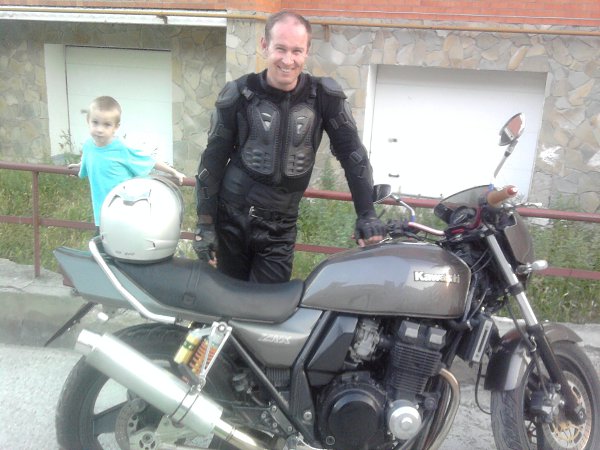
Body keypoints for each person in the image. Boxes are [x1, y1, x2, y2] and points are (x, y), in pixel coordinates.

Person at [193, 11, 384, 283]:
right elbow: (212, 160)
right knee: (228, 300)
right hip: (232, 217)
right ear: (264, 45)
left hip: (280, 227)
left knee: (269, 304)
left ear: (307, 51)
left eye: (296, 51)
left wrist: (367, 214)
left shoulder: (324, 97)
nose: (287, 60)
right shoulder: (239, 92)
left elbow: (353, 156)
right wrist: (205, 223)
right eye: (280, 49)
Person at [69, 96, 186, 229]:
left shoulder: (122, 148)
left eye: (107, 124)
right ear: (88, 121)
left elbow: (149, 160)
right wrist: (81, 165)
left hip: (123, 214)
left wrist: (173, 172)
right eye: (95, 122)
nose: (100, 129)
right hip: (101, 213)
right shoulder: (88, 146)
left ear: (116, 127)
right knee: (100, 240)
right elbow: (91, 158)